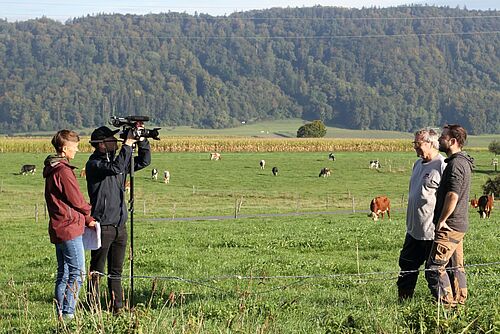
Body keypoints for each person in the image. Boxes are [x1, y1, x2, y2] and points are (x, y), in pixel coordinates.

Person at [86, 125, 151, 313]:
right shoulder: (95, 165)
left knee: (116, 271)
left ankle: (118, 307)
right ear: (101, 145)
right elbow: (116, 167)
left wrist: (141, 140)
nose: (115, 142)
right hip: (102, 225)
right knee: (97, 270)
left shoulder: (118, 163)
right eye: (111, 140)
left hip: (120, 226)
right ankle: (93, 307)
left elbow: (144, 161)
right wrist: (128, 144)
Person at [43, 130, 96, 320]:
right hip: (69, 227)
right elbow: (76, 200)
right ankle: (68, 313)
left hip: (58, 226)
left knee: (64, 272)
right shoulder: (63, 171)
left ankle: (60, 314)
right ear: (65, 149)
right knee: (78, 272)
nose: (77, 150)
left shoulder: (53, 168)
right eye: (75, 147)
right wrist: (89, 213)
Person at [425, 124, 473, 306]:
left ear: (452, 141)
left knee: (434, 269)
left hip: (450, 226)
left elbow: (453, 195)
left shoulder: (455, 165)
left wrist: (442, 220)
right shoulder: (464, 162)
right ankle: (460, 305)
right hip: (458, 224)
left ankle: (446, 306)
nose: (439, 140)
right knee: (456, 266)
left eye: (443, 137)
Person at [397, 128, 446, 301]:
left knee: (434, 273)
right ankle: (404, 302)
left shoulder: (442, 165)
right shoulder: (417, 165)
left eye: (418, 144)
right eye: (414, 143)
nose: (415, 147)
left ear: (431, 143)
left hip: (431, 231)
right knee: (406, 267)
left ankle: (443, 307)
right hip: (413, 230)